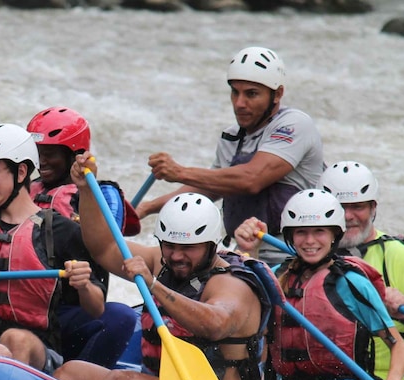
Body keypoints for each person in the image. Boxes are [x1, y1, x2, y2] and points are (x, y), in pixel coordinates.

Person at [57, 158, 271, 380]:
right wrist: (86, 190)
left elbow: (215, 323)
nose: (177, 256)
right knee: (70, 373)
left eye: (188, 248)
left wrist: (153, 285)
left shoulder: (231, 283)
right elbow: (104, 247)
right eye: (170, 246)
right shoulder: (163, 262)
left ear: (211, 245)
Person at [234, 189, 404, 380]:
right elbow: (244, 307)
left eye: (319, 232)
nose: (310, 241)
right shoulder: (279, 275)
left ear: (334, 235)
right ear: (290, 236)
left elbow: (397, 343)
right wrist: (249, 252)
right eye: (301, 232)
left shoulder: (351, 282)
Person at [138, 46, 325, 265]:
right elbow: (210, 185)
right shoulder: (232, 136)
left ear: (278, 94)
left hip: (294, 254)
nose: (239, 103)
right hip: (245, 250)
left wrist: (179, 172)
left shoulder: (294, 125)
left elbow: (251, 179)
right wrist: (146, 208)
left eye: (251, 94)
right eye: (235, 92)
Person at [0, 123, 107, 373]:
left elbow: (97, 308)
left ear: (20, 172)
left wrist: (83, 285)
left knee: (15, 340)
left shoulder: (60, 231)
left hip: (36, 349)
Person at [26, 106, 139, 368]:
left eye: (50, 154)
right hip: (29, 305)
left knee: (121, 317)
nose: (41, 162)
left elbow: (106, 245)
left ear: (74, 155)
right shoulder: (22, 190)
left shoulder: (99, 196)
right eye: (37, 154)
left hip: (74, 307)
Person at [317, 160, 404, 380]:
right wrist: (247, 250)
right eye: (338, 208)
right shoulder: (308, 257)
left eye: (358, 207)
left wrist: (402, 312)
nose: (348, 216)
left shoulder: (399, 254)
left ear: (373, 207)